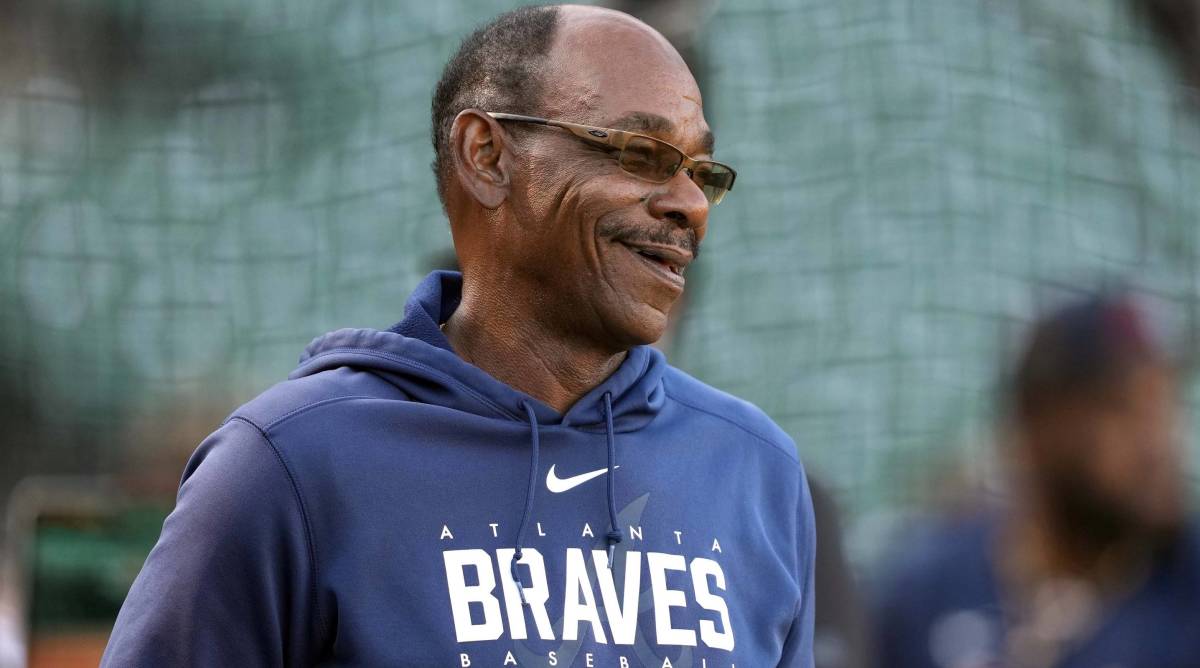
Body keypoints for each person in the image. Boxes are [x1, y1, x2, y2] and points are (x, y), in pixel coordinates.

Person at [102, 5, 816, 667]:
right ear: (486, 155)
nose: (690, 203)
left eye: (702, 172)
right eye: (641, 153)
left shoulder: (755, 472)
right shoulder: (288, 466)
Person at [872, 292, 1200, 668]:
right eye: (1121, 409)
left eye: (1164, 406)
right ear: (1035, 423)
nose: (1155, 442)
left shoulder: (1187, 590)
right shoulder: (926, 592)